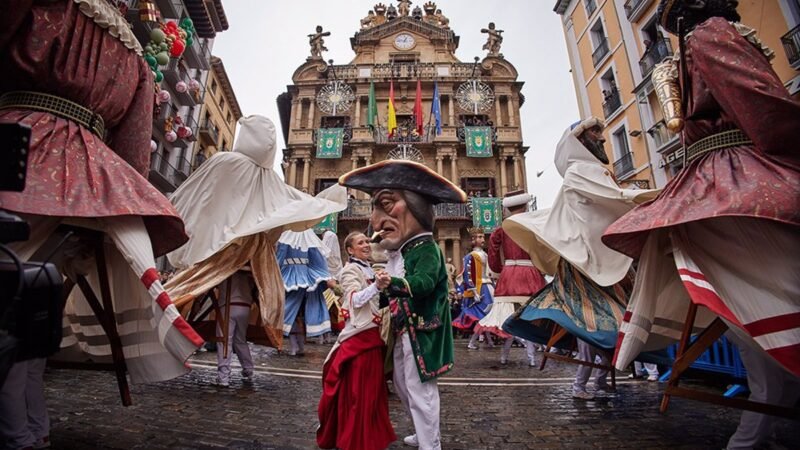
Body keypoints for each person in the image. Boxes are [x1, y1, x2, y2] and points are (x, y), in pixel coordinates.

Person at [603, 1, 800, 446]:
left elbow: (678, 124)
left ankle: (755, 431)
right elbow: (760, 100)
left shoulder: (685, 52)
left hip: (708, 186)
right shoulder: (715, 34)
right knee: (769, 308)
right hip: (734, 185)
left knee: (756, 316)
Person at [0, 0, 204, 388]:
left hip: (21, 149)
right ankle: (28, 425)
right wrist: (120, 200)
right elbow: (133, 152)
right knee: (33, 306)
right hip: (92, 179)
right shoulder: (135, 59)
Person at [501, 117, 659, 400]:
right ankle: (581, 384)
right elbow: (616, 199)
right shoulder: (580, 172)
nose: (602, 138)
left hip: (605, 261)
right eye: (595, 132)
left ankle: (596, 380)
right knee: (593, 326)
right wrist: (659, 197)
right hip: (585, 265)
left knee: (606, 326)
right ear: (579, 141)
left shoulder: (594, 172)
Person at [165, 115, 347, 354]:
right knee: (222, 303)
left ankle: (182, 333)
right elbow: (293, 202)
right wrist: (328, 198)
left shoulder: (235, 165)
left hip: (224, 246)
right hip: (243, 250)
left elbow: (199, 195)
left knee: (197, 297)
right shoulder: (245, 169)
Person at [339, 159, 466, 450]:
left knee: (421, 389)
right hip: (402, 330)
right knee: (402, 385)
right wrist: (379, 294)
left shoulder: (426, 249)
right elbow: (391, 294)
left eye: (386, 204)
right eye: (374, 209)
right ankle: (420, 432)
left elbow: (421, 284)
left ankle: (430, 443)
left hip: (423, 332)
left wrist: (392, 285)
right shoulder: (402, 252)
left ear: (415, 206)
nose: (374, 221)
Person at [317, 232, 396, 450]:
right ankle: (355, 439)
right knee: (358, 394)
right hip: (359, 336)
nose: (366, 245)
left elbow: (376, 302)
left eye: (367, 241)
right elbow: (353, 300)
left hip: (373, 335)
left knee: (371, 393)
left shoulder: (370, 269)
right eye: (360, 242)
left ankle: (369, 435)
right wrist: (376, 287)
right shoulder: (350, 269)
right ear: (350, 250)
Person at [475, 191, 547, 366]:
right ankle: (531, 358)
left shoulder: (502, 228)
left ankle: (504, 357)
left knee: (507, 318)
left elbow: (492, 250)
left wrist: (499, 269)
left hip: (509, 275)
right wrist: (542, 268)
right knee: (530, 316)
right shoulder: (532, 226)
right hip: (530, 274)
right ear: (524, 207)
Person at [277, 230, 333, 356]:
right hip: (304, 276)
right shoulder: (308, 236)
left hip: (291, 275)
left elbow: (280, 257)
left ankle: (295, 346)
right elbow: (318, 258)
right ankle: (297, 346)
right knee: (298, 315)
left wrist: (276, 273)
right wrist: (323, 274)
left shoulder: (286, 237)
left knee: (292, 313)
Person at [453, 228, 495, 350]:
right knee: (484, 316)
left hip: (488, 287)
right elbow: (468, 275)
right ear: (473, 239)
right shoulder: (470, 256)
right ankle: (472, 342)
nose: (483, 239)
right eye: (480, 237)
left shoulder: (485, 254)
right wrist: (473, 291)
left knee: (487, 315)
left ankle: (489, 340)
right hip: (480, 289)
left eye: (483, 236)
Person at [215, 269, 256, 387]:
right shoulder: (248, 270)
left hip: (228, 304)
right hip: (245, 306)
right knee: (240, 340)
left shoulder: (226, 267)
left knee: (224, 340)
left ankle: (223, 377)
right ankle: (248, 369)